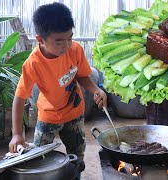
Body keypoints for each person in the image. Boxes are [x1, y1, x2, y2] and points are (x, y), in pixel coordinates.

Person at [8, 2, 107, 176]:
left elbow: (82, 75)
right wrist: (17, 134)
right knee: (40, 157)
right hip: (48, 116)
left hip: (75, 113)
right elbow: (20, 97)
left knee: (77, 158)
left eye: (70, 38)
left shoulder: (75, 49)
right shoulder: (33, 63)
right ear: (41, 40)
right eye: (59, 41)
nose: (67, 45)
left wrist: (95, 90)